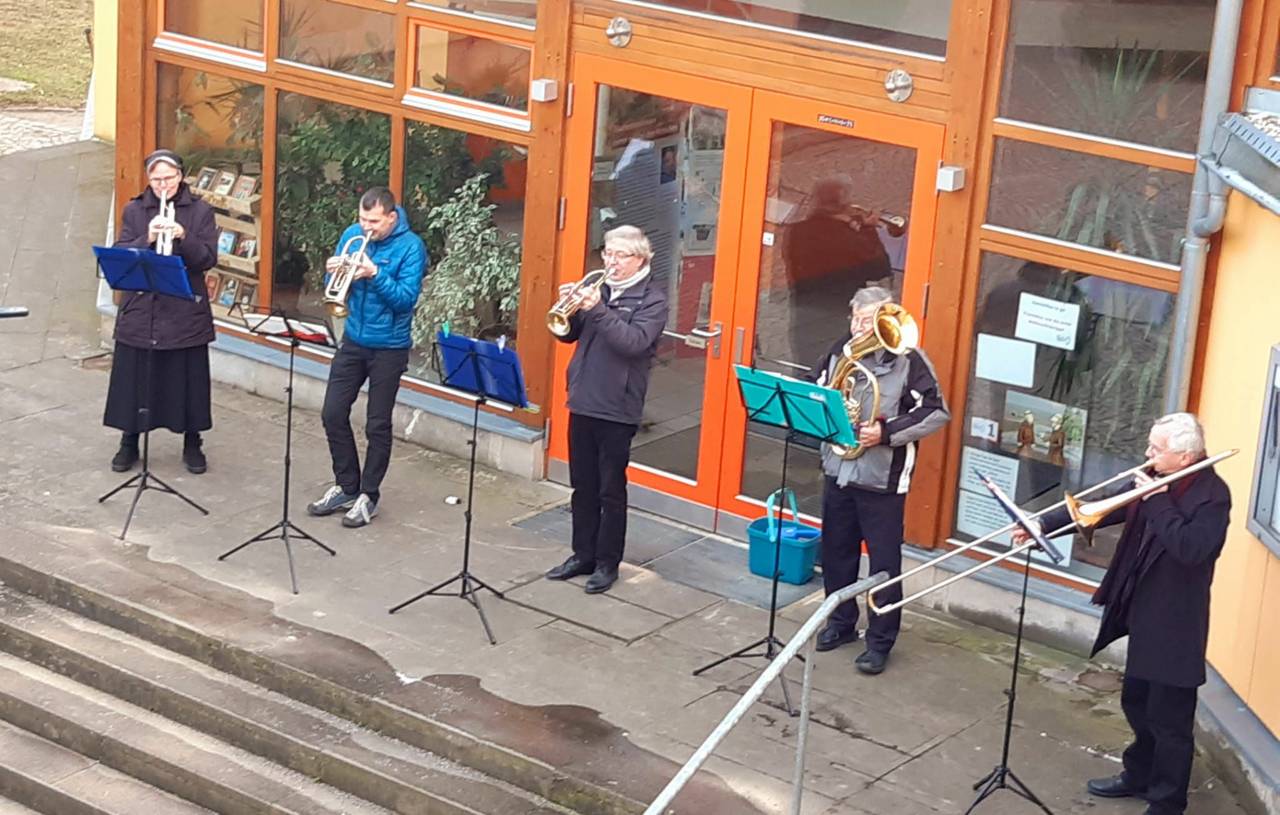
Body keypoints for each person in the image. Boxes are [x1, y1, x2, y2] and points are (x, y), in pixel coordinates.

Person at [1013, 413, 1230, 815]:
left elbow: (1192, 549)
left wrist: (1159, 499)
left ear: (1184, 458)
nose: (1148, 454)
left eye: (1156, 449)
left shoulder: (1213, 496)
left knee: (1171, 719)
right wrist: (1041, 524)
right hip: (1141, 606)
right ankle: (1139, 774)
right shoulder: (1151, 476)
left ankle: (1167, 802)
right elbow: (1098, 508)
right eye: (1150, 445)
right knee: (1136, 700)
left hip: (1176, 620)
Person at [810, 286, 949, 675]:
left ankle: (880, 641)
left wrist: (884, 433)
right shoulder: (841, 349)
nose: (859, 327)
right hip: (839, 468)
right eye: (855, 318)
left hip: (882, 478)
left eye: (868, 321)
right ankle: (839, 623)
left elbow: (936, 411)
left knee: (884, 564)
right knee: (837, 552)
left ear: (885, 320)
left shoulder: (910, 360)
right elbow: (816, 388)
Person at [545, 225, 669, 594]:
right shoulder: (598, 289)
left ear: (641, 259)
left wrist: (596, 309)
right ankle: (582, 553)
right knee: (581, 485)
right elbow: (570, 335)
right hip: (583, 396)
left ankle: (606, 562)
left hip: (618, 406)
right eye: (608, 254)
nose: (611, 262)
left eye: (620, 256)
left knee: (610, 490)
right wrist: (568, 312)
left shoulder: (653, 300)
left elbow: (633, 343)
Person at [306, 187, 428, 528]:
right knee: (332, 413)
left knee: (377, 423)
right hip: (354, 338)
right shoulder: (352, 235)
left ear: (391, 217)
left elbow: (405, 300)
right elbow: (337, 286)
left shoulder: (411, 247)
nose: (366, 228)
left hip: (389, 345)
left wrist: (374, 274)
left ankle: (368, 495)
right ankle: (346, 485)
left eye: (373, 221)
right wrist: (334, 271)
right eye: (362, 219)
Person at [104, 149, 219, 475]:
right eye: (156, 180)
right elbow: (120, 253)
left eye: (169, 178)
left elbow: (207, 258)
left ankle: (192, 442)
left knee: (187, 381)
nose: (163, 185)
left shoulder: (200, 211)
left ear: (181, 176)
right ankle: (129, 442)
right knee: (135, 380)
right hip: (141, 312)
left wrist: (183, 236)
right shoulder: (136, 209)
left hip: (184, 313)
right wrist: (148, 236)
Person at [782, 177, 902, 364]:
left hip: (802, 314)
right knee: (839, 371)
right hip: (838, 316)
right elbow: (879, 269)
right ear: (843, 204)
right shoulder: (846, 236)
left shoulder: (797, 231)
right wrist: (868, 230)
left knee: (805, 368)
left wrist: (853, 227)